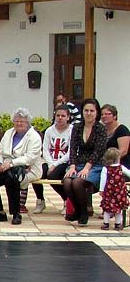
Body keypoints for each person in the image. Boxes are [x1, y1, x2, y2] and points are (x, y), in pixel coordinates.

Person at [0, 108, 42, 225]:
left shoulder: (34, 136)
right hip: (5, 167)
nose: (19, 123)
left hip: (27, 169)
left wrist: (11, 164)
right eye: (16, 121)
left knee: (11, 180)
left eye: (22, 121)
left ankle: (16, 214)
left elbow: (30, 158)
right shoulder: (8, 133)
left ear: (28, 122)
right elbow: (0, 152)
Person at [63, 98, 106, 226]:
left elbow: (98, 151)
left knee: (77, 182)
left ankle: (83, 212)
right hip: (79, 163)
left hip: (95, 164)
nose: (88, 113)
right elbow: (73, 148)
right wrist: (72, 166)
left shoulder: (100, 128)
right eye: (86, 110)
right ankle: (78, 210)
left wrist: (87, 168)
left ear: (97, 112)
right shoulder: (77, 127)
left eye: (92, 111)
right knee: (67, 181)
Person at [24, 105, 73, 214]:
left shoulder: (72, 130)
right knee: (36, 173)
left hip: (65, 162)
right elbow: (45, 149)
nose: (60, 118)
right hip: (49, 161)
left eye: (63, 116)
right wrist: (51, 164)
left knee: (53, 176)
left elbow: (70, 152)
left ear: (68, 117)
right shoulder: (49, 130)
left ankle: (66, 200)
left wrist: (55, 164)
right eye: (58, 115)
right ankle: (40, 200)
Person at [99, 147, 130, 230]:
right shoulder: (121, 167)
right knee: (118, 209)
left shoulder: (105, 168)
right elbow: (129, 173)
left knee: (107, 208)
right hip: (120, 192)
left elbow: (103, 180)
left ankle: (106, 224)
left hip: (109, 192)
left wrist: (101, 190)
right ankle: (117, 224)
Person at [101, 104, 130, 169]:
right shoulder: (102, 130)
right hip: (104, 164)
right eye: (102, 114)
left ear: (115, 116)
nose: (104, 116)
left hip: (121, 164)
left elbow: (123, 151)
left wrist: (109, 161)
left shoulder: (122, 130)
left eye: (107, 114)